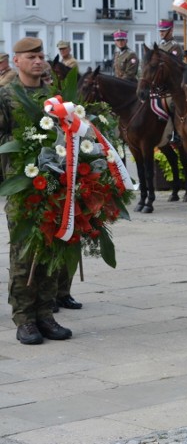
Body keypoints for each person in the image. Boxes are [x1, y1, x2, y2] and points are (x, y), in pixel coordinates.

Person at [0, 38, 73, 345]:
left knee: (50, 248)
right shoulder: (6, 95)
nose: (39, 61)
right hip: (22, 182)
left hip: (53, 182)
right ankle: (25, 318)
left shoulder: (52, 96)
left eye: (41, 56)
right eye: (32, 56)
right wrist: (27, 145)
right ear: (17, 61)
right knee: (25, 250)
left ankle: (45, 313)